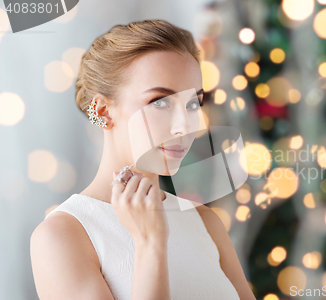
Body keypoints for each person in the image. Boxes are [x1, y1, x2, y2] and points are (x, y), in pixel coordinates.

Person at [30, 19, 256, 300]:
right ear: (102, 112)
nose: (184, 127)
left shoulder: (205, 222)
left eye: (192, 103)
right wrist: (150, 244)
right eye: (159, 102)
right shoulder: (62, 235)